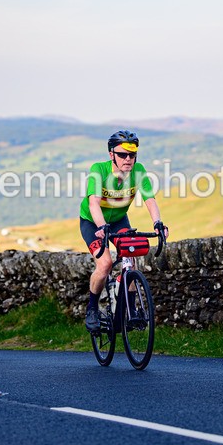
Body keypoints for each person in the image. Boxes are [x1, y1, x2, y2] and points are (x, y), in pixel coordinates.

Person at [79, 130, 168, 332]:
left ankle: (132, 309)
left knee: (131, 260)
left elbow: (150, 199)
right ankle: (92, 308)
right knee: (105, 264)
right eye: (122, 155)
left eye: (132, 155)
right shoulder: (99, 170)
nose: (128, 159)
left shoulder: (138, 171)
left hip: (119, 220)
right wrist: (101, 226)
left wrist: (158, 223)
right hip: (93, 222)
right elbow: (93, 204)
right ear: (112, 155)